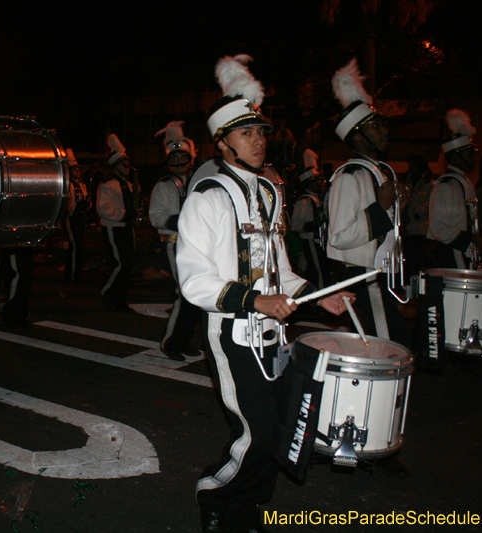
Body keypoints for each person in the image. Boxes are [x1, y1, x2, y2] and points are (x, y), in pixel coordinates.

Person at [177, 54, 353, 533]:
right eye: (245, 133)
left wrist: (318, 295)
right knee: (256, 432)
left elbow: (279, 272)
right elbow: (193, 281)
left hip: (272, 333)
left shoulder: (268, 193)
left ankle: (248, 507)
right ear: (221, 142)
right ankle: (215, 495)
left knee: (278, 428)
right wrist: (255, 301)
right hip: (232, 334)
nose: (257, 140)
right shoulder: (208, 197)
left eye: (260, 132)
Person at [327, 58, 411, 349]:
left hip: (383, 273)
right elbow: (339, 237)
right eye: (376, 126)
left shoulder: (378, 172)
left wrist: (399, 208)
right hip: (364, 275)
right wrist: (381, 208)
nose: (385, 131)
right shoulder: (349, 177)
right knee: (385, 346)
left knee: (392, 341)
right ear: (358, 136)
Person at [149, 121, 199, 361]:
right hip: (174, 243)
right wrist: (180, 220)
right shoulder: (163, 186)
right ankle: (169, 343)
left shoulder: (197, 183)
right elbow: (155, 217)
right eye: (174, 158)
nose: (179, 162)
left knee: (194, 295)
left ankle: (183, 340)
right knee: (183, 293)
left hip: (197, 244)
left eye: (183, 158)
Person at [425, 109, 482, 269]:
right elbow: (438, 228)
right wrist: (472, 239)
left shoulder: (463, 182)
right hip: (451, 256)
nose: (474, 159)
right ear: (455, 156)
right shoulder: (445, 186)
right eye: (469, 154)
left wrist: (480, 235)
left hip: (465, 253)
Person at [97, 133, 136, 312]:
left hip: (126, 227)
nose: (127, 167)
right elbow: (103, 208)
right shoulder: (107, 184)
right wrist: (125, 214)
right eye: (123, 164)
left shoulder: (129, 184)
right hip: (113, 228)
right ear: (115, 166)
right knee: (120, 264)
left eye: (127, 163)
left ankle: (120, 298)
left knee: (127, 265)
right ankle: (107, 292)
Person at [290, 149, 330, 288]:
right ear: (309, 184)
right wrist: (311, 225)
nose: (321, 184)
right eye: (317, 181)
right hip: (311, 241)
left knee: (324, 269)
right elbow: (295, 225)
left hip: (321, 241)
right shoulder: (304, 201)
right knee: (318, 271)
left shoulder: (318, 198)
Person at [64, 148, 89, 282]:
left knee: (77, 246)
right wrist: (76, 207)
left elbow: (85, 200)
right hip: (71, 218)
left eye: (78, 169)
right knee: (75, 245)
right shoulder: (68, 186)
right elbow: (68, 204)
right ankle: (73, 275)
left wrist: (87, 205)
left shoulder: (82, 185)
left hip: (80, 218)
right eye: (74, 170)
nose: (77, 172)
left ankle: (73, 272)